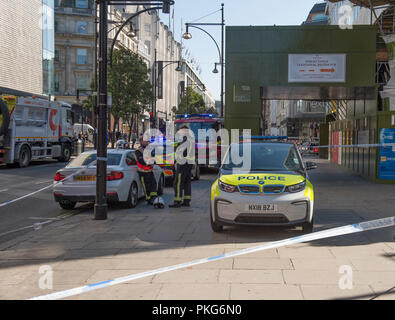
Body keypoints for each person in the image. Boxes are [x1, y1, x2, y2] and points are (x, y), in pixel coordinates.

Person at [169, 125, 195, 208]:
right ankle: (187, 201)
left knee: (178, 182)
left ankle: (177, 201)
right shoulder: (191, 140)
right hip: (189, 165)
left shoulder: (185, 140)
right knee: (187, 182)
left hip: (183, 164)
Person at [134, 136, 158, 205]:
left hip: (150, 171)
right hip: (142, 172)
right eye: (145, 141)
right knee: (146, 186)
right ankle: (148, 199)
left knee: (153, 184)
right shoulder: (138, 151)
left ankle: (154, 197)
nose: (147, 142)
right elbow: (141, 160)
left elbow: (153, 158)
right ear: (141, 142)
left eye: (147, 141)